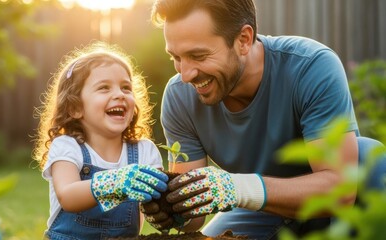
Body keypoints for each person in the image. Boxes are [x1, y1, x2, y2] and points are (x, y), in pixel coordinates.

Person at [141, 0, 386, 239]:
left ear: (244, 40)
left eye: (199, 55)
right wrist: (171, 210)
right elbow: (193, 218)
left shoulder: (310, 67)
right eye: (176, 57)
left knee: (370, 159)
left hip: (327, 203)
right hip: (260, 208)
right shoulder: (180, 97)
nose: (185, 74)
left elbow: (339, 192)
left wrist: (237, 188)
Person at [32, 41, 169, 239]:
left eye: (126, 88)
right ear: (75, 108)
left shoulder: (144, 151)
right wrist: (114, 182)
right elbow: (68, 196)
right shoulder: (67, 146)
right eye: (104, 88)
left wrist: (173, 210)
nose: (119, 95)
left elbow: (157, 206)